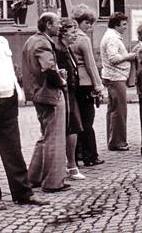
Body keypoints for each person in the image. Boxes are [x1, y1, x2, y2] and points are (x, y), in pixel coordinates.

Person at [0, 7, 49, 209]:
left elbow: (9, 68)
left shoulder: (2, 42)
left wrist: (19, 91)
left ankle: (23, 193)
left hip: (8, 101)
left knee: (13, 150)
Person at [23, 12, 70, 193]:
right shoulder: (43, 43)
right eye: (57, 23)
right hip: (49, 94)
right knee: (55, 138)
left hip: (37, 93)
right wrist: (61, 81)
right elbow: (48, 68)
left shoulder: (31, 41)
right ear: (49, 24)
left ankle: (33, 177)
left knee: (45, 136)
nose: (60, 27)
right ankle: (53, 182)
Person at [71, 4, 104, 167]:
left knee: (77, 121)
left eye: (91, 23)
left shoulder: (68, 37)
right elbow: (91, 65)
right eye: (87, 22)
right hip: (86, 83)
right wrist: (98, 85)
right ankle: (91, 155)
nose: (90, 26)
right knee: (87, 122)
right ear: (78, 22)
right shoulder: (83, 39)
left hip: (74, 83)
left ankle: (78, 153)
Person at [100, 12, 137, 151]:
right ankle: (118, 141)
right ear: (116, 25)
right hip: (116, 77)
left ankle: (113, 139)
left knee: (113, 109)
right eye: (124, 24)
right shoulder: (112, 39)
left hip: (114, 77)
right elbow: (113, 58)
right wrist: (129, 56)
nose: (126, 27)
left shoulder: (111, 36)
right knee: (119, 110)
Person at [55, 18, 85, 181]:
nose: (75, 35)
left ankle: (71, 164)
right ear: (63, 34)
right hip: (65, 94)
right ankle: (71, 166)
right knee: (71, 128)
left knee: (74, 128)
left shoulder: (67, 49)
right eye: (72, 32)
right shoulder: (59, 51)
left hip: (72, 93)